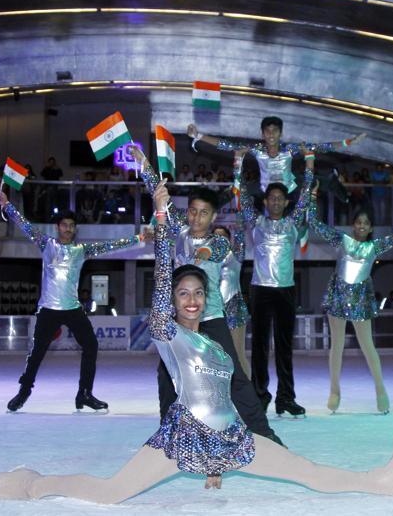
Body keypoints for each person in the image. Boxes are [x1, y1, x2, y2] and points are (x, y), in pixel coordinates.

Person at [0, 216, 393, 505]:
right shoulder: (168, 334)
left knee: (307, 472)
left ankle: (388, 479)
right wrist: (159, 222)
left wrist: (215, 466)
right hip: (181, 441)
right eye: (182, 294)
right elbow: (162, 298)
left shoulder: (215, 346)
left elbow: (223, 402)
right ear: (172, 302)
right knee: (112, 493)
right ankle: (33, 483)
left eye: (197, 293)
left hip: (231, 441)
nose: (191, 300)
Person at [130, 145, 281, 446]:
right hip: (179, 324)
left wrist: (203, 251)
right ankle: (168, 435)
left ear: (213, 216)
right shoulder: (180, 232)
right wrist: (145, 165)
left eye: (204, 213)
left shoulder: (219, 241)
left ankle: (265, 435)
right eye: (193, 211)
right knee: (166, 377)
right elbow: (161, 197)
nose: (197, 217)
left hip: (211, 319)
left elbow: (217, 250)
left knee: (235, 376)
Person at [0, 189, 142, 412]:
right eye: (65, 225)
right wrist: (7, 205)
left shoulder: (81, 250)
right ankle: (23, 392)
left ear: (75, 229)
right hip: (48, 309)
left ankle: (84, 393)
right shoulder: (47, 244)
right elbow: (25, 225)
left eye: (72, 226)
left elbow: (112, 245)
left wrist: (139, 237)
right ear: (58, 227)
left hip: (73, 308)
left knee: (91, 345)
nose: (68, 229)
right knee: (37, 353)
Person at [307, 191, 393, 414]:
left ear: (371, 227)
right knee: (336, 345)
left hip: (360, 299)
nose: (362, 226)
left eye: (366, 223)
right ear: (353, 225)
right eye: (358, 222)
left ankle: (380, 390)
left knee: (368, 346)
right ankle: (334, 391)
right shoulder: (342, 240)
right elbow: (316, 224)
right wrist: (313, 196)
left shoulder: (374, 247)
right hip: (338, 295)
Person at [232, 147, 314, 417]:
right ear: (266, 202)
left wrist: (310, 162)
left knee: (284, 347)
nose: (276, 202)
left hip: (286, 290)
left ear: (286, 202)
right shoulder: (255, 222)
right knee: (259, 346)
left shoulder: (293, 222)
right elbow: (241, 194)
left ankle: (286, 398)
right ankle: (259, 395)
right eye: (272, 198)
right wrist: (238, 163)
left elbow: (306, 194)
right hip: (260, 290)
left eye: (280, 198)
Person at [187, 117, 365, 195]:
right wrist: (199, 136)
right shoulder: (257, 149)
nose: (271, 134)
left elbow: (321, 147)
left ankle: (337, 187)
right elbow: (226, 145)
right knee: (237, 192)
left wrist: (347, 142)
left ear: (280, 134)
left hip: (290, 187)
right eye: (267, 131)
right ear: (262, 134)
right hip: (265, 189)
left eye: (275, 131)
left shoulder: (290, 149)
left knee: (315, 180)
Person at [212, 221, 250, 378]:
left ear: (229, 239)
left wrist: (240, 202)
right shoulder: (205, 258)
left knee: (238, 354)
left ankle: (248, 394)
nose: (219, 239)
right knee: (215, 356)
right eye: (216, 236)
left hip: (234, 308)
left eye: (223, 236)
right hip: (213, 311)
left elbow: (241, 234)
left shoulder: (236, 254)